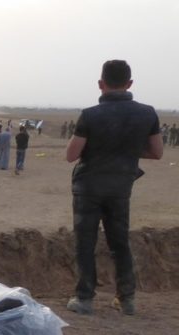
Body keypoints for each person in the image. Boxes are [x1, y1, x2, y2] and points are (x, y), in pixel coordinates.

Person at [65, 59, 163, 316]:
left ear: (101, 84)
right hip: (121, 186)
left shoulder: (90, 115)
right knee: (120, 242)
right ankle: (127, 299)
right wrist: (126, 151)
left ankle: (84, 298)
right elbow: (157, 152)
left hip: (88, 187)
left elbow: (71, 154)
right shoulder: (148, 113)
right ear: (130, 83)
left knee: (85, 242)